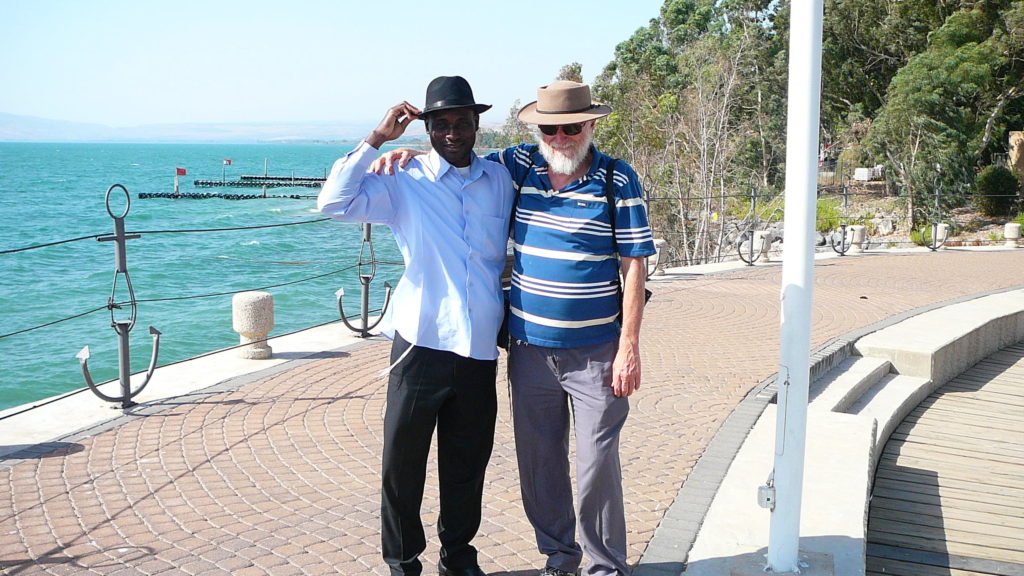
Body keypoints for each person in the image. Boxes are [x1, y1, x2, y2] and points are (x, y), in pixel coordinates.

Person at [375, 80, 655, 576]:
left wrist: (629, 345)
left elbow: (635, 263)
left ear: (591, 125)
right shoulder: (517, 165)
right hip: (528, 351)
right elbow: (457, 154)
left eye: (572, 126)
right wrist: (412, 151)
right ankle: (560, 558)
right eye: (551, 127)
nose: (562, 136)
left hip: (596, 351)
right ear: (537, 130)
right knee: (540, 464)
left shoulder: (617, 179)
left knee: (595, 464)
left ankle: (606, 566)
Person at [318, 76, 516, 576]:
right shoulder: (404, 179)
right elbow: (333, 203)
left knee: (466, 467)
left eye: (462, 122)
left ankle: (458, 554)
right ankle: (403, 561)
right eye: (442, 123)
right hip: (420, 346)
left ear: (477, 125)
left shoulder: (500, 181)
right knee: (401, 467)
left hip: (477, 349)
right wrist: (377, 140)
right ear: (427, 127)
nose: (453, 132)